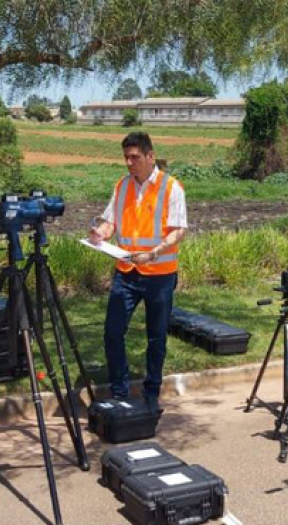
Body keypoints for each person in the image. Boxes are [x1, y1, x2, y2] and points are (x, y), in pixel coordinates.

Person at [88, 132, 187, 405]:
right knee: (112, 331)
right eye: (126, 158)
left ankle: (151, 392)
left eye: (135, 157)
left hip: (160, 275)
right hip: (127, 272)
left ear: (150, 156)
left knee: (156, 338)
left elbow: (179, 231)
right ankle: (119, 391)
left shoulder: (171, 187)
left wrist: (153, 253)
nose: (130, 163)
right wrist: (101, 233)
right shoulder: (122, 186)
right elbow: (111, 222)